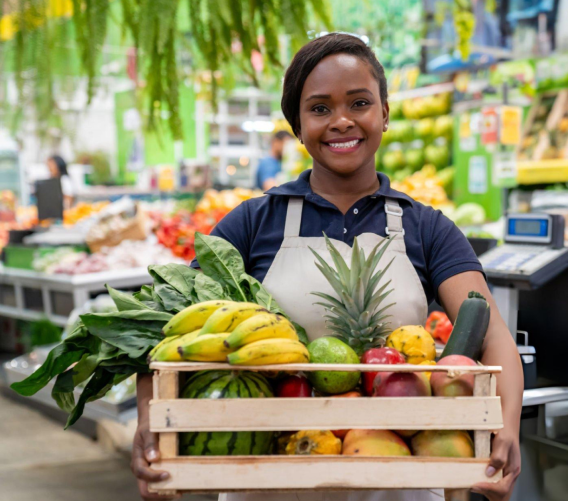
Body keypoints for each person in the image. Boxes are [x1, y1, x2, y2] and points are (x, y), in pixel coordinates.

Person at [131, 33, 523, 501]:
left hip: (399, 484)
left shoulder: (428, 228)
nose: (341, 121)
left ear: (384, 114)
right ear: (297, 125)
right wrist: (150, 421)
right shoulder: (253, 223)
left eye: (359, 102)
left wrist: (508, 427)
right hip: (267, 481)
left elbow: (492, 331)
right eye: (319, 109)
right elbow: (170, 332)